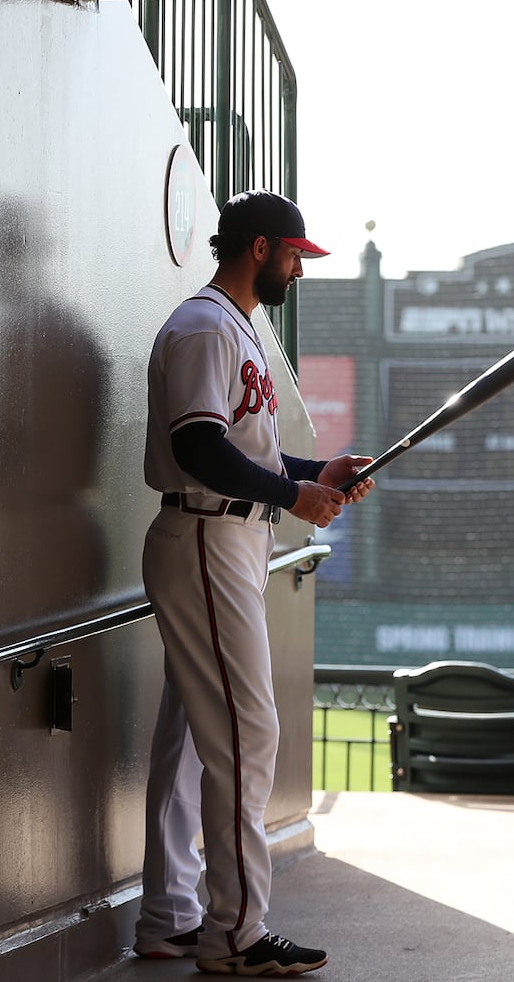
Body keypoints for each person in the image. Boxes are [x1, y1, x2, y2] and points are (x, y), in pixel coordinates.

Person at [133, 189, 376, 976]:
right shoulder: (205, 324)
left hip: (225, 531)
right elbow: (201, 449)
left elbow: (246, 449)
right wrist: (293, 496)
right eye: (295, 257)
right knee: (246, 731)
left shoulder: (236, 324)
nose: (299, 272)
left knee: (188, 739)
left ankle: (169, 916)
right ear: (261, 248)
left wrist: (316, 472)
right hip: (207, 532)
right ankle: (234, 933)